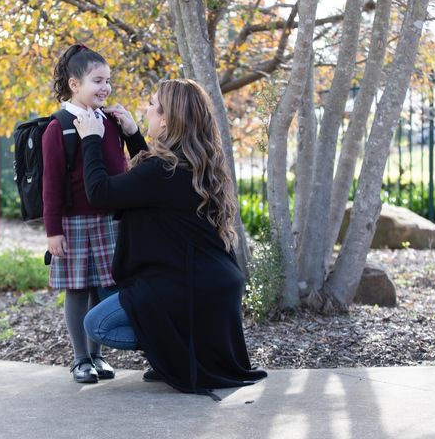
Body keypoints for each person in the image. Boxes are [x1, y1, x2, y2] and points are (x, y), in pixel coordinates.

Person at [74, 78, 268, 399]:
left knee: (97, 324)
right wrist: (134, 135)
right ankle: (173, 349)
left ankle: (170, 351)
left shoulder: (163, 171)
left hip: (188, 286)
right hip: (212, 283)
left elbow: (101, 192)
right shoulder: (195, 163)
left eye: (152, 104)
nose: (146, 109)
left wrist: (90, 139)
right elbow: (152, 187)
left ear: (166, 119)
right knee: (125, 295)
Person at [42, 43, 133, 384]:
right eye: (97, 80)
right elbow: (50, 186)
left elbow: (121, 167)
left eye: (108, 80)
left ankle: (98, 356)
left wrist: (129, 131)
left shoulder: (109, 122)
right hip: (74, 223)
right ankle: (80, 359)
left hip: (108, 220)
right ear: (74, 84)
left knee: (102, 287)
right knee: (78, 290)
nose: (105, 87)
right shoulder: (60, 126)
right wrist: (53, 232)